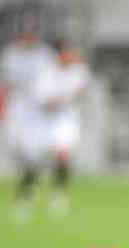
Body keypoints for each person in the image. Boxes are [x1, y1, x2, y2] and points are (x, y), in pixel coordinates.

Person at [0, 12, 56, 222]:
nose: (29, 37)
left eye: (32, 33)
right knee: (15, 148)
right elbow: (1, 82)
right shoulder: (10, 54)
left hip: (38, 110)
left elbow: (52, 81)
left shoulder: (46, 55)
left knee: (33, 152)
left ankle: (24, 194)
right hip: (16, 108)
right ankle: (31, 181)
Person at [34, 40, 91, 216]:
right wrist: (58, 99)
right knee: (36, 156)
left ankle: (59, 193)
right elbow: (43, 99)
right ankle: (30, 189)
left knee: (64, 154)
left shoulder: (79, 71)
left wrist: (60, 99)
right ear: (60, 55)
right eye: (67, 53)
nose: (71, 57)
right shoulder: (46, 72)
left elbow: (80, 90)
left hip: (66, 120)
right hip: (44, 120)